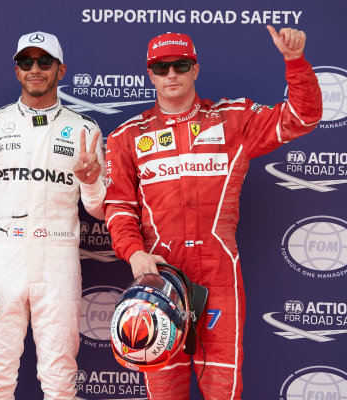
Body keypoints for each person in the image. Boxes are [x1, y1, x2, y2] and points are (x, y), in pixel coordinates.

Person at [104, 26, 322, 399]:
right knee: (164, 392)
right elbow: (119, 207)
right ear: (149, 73)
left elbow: (302, 117)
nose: (171, 74)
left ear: (196, 69)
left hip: (219, 277)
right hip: (161, 278)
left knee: (224, 391)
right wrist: (133, 252)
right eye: (161, 67)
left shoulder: (232, 119)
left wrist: (294, 62)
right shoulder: (126, 136)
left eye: (180, 64)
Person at [0, 31, 106, 399]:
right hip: (3, 260)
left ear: (61, 70)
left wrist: (90, 182)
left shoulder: (86, 129)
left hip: (58, 259)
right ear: (17, 70)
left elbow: (98, 208)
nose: (35, 69)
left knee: (60, 379)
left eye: (45, 62)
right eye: (27, 62)